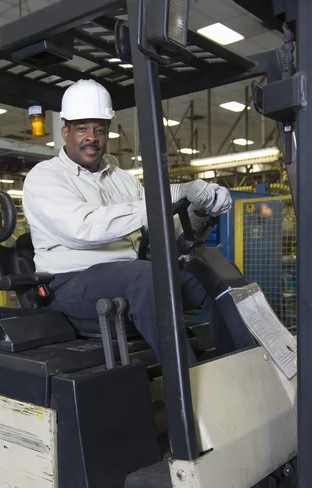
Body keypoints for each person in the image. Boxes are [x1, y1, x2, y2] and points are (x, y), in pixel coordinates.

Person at [23, 79, 254, 363]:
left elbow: (164, 228)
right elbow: (82, 229)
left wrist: (201, 208)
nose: (92, 137)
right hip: (69, 281)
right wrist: (162, 199)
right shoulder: (45, 177)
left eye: (99, 129)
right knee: (146, 276)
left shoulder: (123, 180)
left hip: (129, 273)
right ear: (65, 131)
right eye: (82, 129)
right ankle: (190, 391)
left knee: (213, 272)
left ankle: (239, 368)